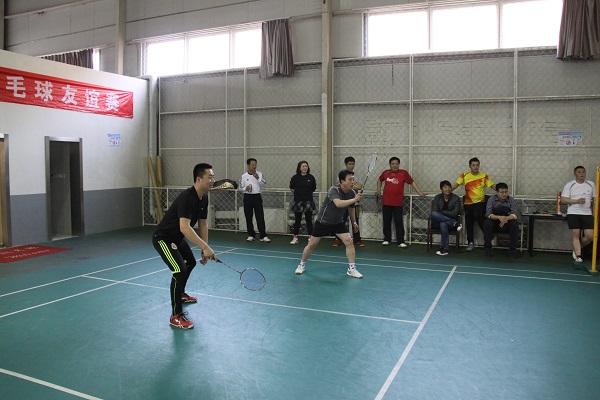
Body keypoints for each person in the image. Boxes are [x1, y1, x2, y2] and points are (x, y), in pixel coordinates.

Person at [152, 163, 218, 330]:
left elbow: (203, 223)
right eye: (210, 177)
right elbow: (185, 227)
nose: (213, 180)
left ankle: (180, 293)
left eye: (213, 177)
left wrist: (204, 247)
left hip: (177, 238)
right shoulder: (187, 197)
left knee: (191, 262)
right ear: (198, 179)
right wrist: (205, 247)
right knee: (179, 270)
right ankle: (176, 315)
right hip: (164, 238)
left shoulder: (204, 197)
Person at [295, 169, 364, 278]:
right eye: (350, 179)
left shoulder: (352, 193)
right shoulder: (334, 189)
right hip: (323, 221)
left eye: (353, 179)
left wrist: (354, 221)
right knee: (312, 244)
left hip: (338, 222)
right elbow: (338, 203)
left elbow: (351, 208)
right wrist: (354, 199)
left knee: (349, 242)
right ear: (342, 181)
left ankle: (352, 269)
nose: (353, 182)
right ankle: (301, 265)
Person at [376, 157, 426, 247]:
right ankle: (387, 239)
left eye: (396, 164)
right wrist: (378, 190)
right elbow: (379, 180)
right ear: (390, 165)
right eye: (393, 164)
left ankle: (401, 241)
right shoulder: (385, 173)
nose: (395, 165)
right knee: (386, 221)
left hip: (398, 203)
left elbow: (412, 182)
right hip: (386, 202)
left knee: (399, 222)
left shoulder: (403, 173)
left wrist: (419, 192)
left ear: (399, 164)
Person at [452, 157, 496, 252]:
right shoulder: (464, 175)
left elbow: (493, 186)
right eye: (473, 165)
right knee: (469, 222)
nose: (475, 167)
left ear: (479, 166)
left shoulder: (484, 176)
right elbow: (456, 184)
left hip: (480, 202)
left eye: (477, 165)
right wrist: (447, 190)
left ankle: (488, 234)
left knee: (478, 215)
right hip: (468, 203)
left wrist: (502, 191)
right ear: (470, 166)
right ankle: (470, 243)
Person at [561, 166, 596, 263]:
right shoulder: (570, 185)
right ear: (575, 174)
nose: (581, 174)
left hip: (587, 213)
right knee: (576, 234)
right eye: (579, 172)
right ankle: (579, 256)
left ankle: (577, 248)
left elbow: (595, 199)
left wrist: (595, 213)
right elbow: (563, 200)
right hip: (574, 213)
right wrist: (577, 201)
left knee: (590, 236)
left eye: (583, 172)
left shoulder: (591, 184)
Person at [333, 156, 366, 247]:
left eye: (353, 164)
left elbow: (359, 186)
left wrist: (348, 185)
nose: (351, 166)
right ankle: (337, 239)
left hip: (353, 201)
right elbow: (340, 185)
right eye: (349, 164)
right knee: (341, 220)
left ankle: (357, 239)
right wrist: (351, 185)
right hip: (343, 201)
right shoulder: (341, 174)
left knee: (355, 220)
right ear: (346, 164)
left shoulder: (356, 175)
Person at [483, 182, 519, 260]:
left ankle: (513, 250)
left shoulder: (511, 200)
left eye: (506, 192)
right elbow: (488, 214)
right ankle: (487, 248)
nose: (504, 194)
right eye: (502, 192)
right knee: (487, 223)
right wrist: (499, 217)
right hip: (495, 223)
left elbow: (515, 214)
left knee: (514, 224)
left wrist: (505, 218)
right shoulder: (491, 199)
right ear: (497, 192)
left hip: (507, 223)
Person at [240, 158, 270, 242]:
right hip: (247, 197)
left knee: (260, 216)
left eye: (255, 165)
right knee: (248, 216)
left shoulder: (260, 174)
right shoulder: (243, 176)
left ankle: (263, 235)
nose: (254, 166)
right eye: (252, 165)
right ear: (248, 165)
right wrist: (245, 188)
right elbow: (240, 188)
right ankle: (251, 235)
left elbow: (264, 184)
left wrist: (258, 178)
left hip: (257, 196)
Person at [430, 180, 462, 256]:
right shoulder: (437, 197)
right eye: (445, 187)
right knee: (433, 213)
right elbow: (435, 211)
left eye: (449, 187)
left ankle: (444, 249)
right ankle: (454, 223)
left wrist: (442, 212)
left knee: (443, 224)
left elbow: (455, 213)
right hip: (437, 222)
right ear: (441, 189)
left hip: (448, 224)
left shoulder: (456, 198)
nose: (447, 189)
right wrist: (448, 218)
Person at [289, 160, 317, 244]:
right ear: (299, 168)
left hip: (308, 200)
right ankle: (295, 237)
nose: (305, 168)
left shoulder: (311, 177)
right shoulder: (295, 177)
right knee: (297, 220)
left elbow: (313, 188)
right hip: (298, 201)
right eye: (303, 166)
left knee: (309, 219)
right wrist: (298, 194)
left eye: (306, 166)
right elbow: (291, 187)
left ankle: (310, 236)